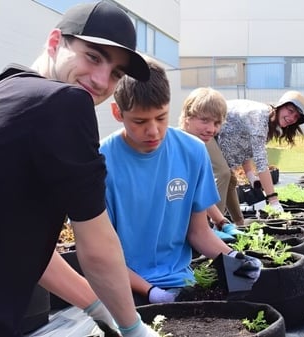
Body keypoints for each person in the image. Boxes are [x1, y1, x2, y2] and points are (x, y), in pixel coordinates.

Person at [0, 1, 158, 336]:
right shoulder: (65, 103)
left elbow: (24, 243)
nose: (101, 81)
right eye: (93, 56)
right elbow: (96, 246)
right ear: (55, 42)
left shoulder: (6, 90)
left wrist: (97, 307)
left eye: (116, 73)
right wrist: (133, 328)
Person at [101, 58, 262, 305]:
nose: (153, 131)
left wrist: (234, 258)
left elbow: (198, 232)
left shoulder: (193, 151)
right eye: (140, 121)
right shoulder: (101, 163)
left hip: (181, 284)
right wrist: (150, 291)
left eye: (161, 117)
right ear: (117, 113)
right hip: (122, 289)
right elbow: (101, 257)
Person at [217, 91, 304, 213]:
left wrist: (250, 175)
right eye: (290, 111)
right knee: (222, 178)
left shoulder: (268, 123)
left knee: (230, 181)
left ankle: (230, 223)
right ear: (280, 106)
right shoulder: (259, 117)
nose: (292, 118)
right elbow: (261, 163)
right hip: (207, 134)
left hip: (219, 143)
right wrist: (273, 200)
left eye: (296, 116)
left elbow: (247, 147)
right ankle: (209, 223)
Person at [178, 87, 245, 237]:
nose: (211, 129)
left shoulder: (198, 149)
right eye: (204, 120)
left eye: (216, 123)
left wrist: (221, 222)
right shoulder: (177, 148)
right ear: (187, 117)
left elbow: (199, 193)